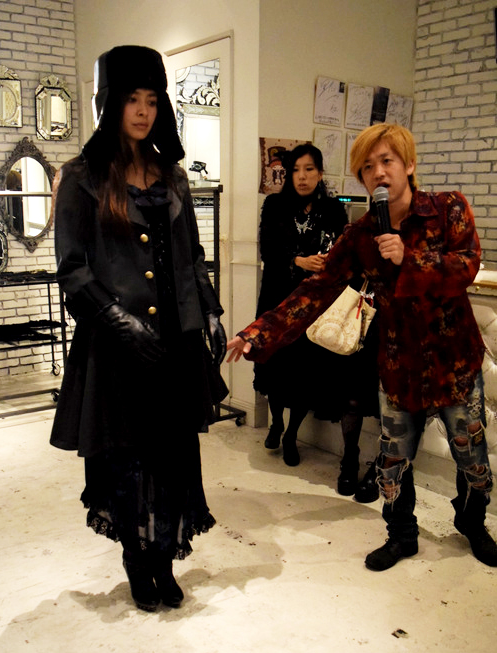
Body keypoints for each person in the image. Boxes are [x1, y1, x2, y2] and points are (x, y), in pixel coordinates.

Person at [228, 123, 497, 571]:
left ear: (409, 165)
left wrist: (408, 257)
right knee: (393, 462)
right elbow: (315, 290)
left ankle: (472, 524)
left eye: (387, 161)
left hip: (455, 363)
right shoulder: (360, 235)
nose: (378, 173)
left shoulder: (448, 207)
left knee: (473, 460)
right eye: (368, 167)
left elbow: (467, 265)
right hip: (398, 365)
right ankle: (401, 534)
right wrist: (258, 333)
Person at [50, 45, 228, 611]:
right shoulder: (81, 178)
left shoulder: (173, 177)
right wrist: (118, 321)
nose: (144, 110)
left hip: (175, 343)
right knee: (127, 460)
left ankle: (164, 557)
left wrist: (212, 311)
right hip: (116, 347)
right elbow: (72, 269)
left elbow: (192, 255)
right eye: (133, 99)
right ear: (111, 104)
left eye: (152, 99)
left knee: (172, 455)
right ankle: (136, 559)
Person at [255, 143, 379, 503]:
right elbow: (268, 250)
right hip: (279, 297)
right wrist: (298, 260)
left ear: (320, 173)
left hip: (315, 304)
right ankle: (276, 423)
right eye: (296, 170)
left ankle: (291, 435)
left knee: (302, 373)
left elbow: (344, 250)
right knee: (274, 366)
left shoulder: (332, 208)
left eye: (309, 169)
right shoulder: (274, 205)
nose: (302, 177)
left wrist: (328, 262)